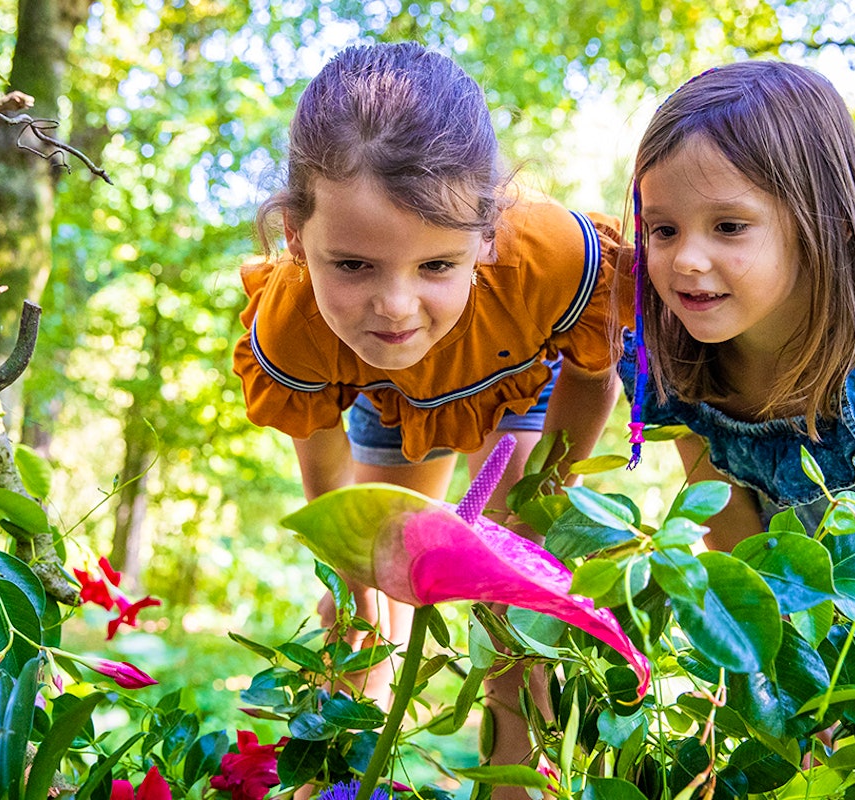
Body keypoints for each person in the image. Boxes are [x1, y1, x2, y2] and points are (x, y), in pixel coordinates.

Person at [232, 42, 628, 790]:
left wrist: (547, 493)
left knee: (512, 600)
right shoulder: (290, 329)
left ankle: (515, 775)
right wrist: (357, 587)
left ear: (486, 235)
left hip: (522, 389)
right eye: (352, 265)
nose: (396, 307)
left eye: (436, 266)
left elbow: (594, 372)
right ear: (295, 238)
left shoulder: (554, 259)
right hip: (392, 401)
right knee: (372, 588)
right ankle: (351, 769)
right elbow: (334, 504)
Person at [621, 60, 855, 599]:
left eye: (729, 227)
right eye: (664, 230)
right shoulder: (679, 363)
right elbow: (739, 556)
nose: (686, 260)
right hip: (802, 592)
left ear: (817, 218)